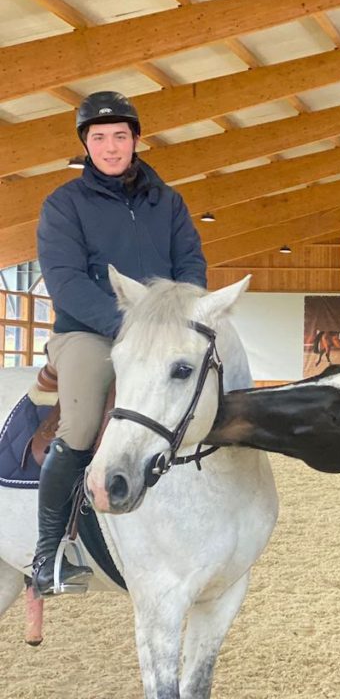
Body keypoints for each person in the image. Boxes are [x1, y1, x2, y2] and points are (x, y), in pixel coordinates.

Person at [32, 91, 207, 595]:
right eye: (99, 138)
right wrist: (131, 326)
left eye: (120, 137)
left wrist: (181, 313)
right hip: (87, 332)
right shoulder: (63, 205)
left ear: (135, 140)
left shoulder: (168, 202)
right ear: (87, 145)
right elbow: (66, 282)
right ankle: (50, 555)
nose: (111, 147)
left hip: (160, 331)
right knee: (84, 423)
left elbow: (190, 264)